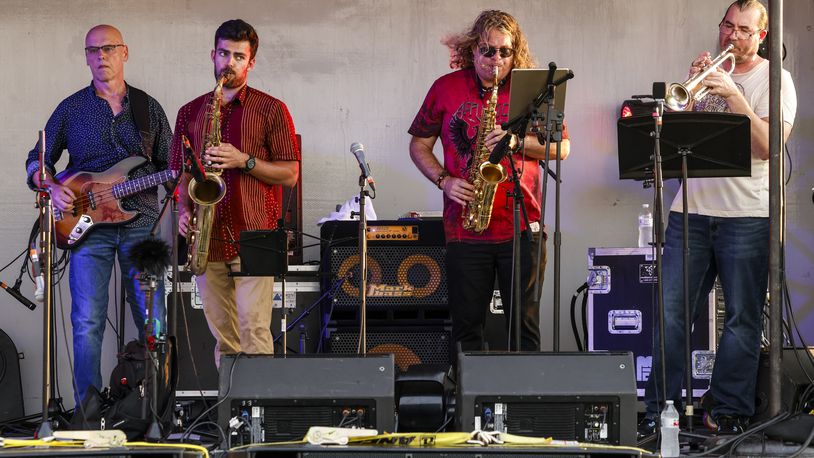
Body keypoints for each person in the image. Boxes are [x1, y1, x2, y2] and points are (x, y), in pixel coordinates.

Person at [639, 0, 797, 436]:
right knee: (670, 315)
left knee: (742, 318)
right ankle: (659, 410)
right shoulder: (705, 76)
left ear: (762, 36)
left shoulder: (774, 80)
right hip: (690, 211)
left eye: (744, 30)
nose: (732, 36)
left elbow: (766, 146)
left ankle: (727, 411)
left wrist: (734, 96)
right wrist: (688, 97)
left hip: (746, 215)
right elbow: (675, 139)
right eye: (728, 26)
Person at [408, 10, 570, 360]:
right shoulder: (445, 88)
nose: (495, 60)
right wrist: (444, 180)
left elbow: (562, 148)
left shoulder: (535, 91)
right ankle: (471, 409)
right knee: (466, 330)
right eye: (487, 50)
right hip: (465, 228)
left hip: (522, 226)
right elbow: (419, 144)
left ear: (516, 53)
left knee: (524, 329)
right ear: (473, 50)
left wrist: (517, 143)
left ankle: (523, 408)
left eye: (504, 52)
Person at [24, 25, 172, 405]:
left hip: (141, 225)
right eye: (93, 50)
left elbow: (172, 166)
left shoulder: (148, 107)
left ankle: (156, 408)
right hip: (86, 228)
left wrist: (184, 186)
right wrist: (50, 185)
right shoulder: (71, 108)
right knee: (87, 323)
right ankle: (87, 412)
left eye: (108, 48)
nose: (101, 56)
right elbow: (36, 161)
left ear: (125, 52)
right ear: (86, 56)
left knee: (154, 322)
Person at [172, 19, 300, 366]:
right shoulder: (190, 112)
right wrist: (183, 212)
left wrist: (244, 160)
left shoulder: (271, 109)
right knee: (224, 338)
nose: (229, 62)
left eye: (239, 57)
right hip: (207, 236)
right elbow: (183, 174)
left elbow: (290, 174)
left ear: (251, 62)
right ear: (213, 55)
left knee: (254, 332)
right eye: (224, 54)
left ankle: (260, 417)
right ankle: (233, 416)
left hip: (254, 235)